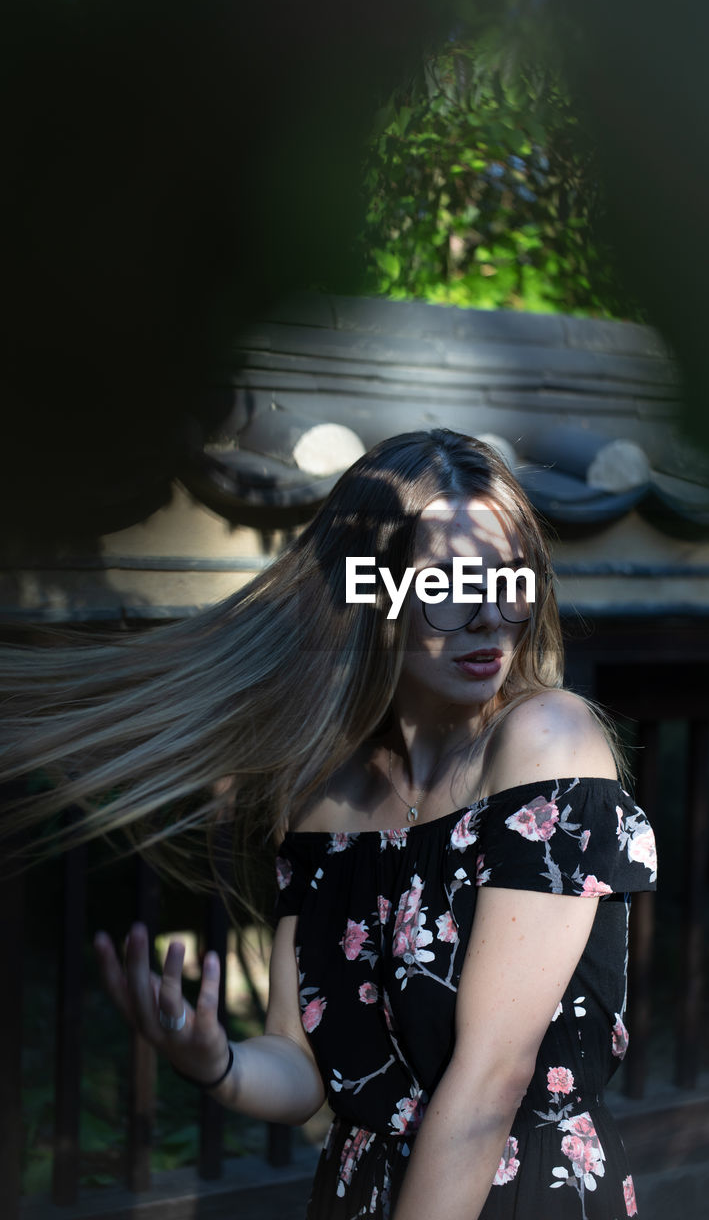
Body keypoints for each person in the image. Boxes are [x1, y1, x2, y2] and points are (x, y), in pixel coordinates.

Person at [3, 428, 656, 1219]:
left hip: (519, 1194)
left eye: (510, 579)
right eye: (446, 583)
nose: (489, 615)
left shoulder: (545, 741)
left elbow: (491, 1080)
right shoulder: (324, 794)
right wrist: (215, 1060)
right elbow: (300, 1064)